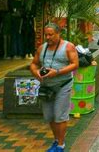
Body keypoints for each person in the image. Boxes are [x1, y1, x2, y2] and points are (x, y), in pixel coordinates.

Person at [30, 23, 79, 152]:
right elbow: (34, 64)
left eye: (51, 34)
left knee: (60, 115)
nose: (48, 37)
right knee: (50, 116)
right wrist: (36, 73)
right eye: (46, 34)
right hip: (47, 87)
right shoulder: (42, 48)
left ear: (58, 34)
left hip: (63, 85)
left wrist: (57, 72)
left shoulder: (68, 47)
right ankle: (56, 140)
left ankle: (61, 145)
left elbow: (75, 64)